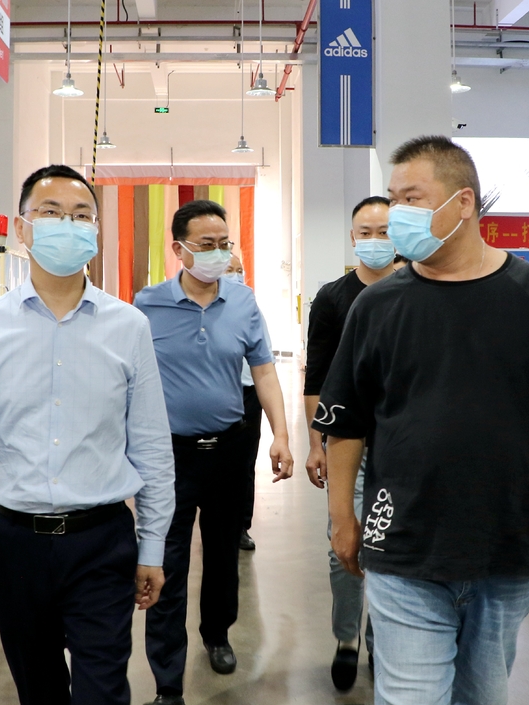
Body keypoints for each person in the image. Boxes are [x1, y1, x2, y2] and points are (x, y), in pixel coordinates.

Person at [315, 135, 529, 705]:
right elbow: (346, 421)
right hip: (404, 541)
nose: (397, 214)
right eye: (394, 199)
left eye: (412, 199)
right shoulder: (378, 305)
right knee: (412, 697)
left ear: (463, 202)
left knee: (484, 694)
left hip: (507, 542)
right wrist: (342, 517)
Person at [0, 164, 176, 705]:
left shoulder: (129, 327)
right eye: (52, 213)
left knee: (103, 691)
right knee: (39, 691)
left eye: (82, 215)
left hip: (101, 540)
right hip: (15, 546)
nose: (68, 224)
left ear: (96, 230)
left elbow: (152, 445)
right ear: (22, 228)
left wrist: (152, 545)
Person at [136, 199, 294, 705]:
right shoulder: (147, 305)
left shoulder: (243, 302)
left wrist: (281, 434)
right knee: (166, 558)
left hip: (228, 449)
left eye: (225, 243)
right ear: (179, 249)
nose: (218, 253)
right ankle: (167, 679)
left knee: (224, 553)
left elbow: (264, 371)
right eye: (207, 244)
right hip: (169, 457)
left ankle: (218, 633)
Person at [303, 195, 394, 691]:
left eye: (385, 231)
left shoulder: (418, 289)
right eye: (366, 232)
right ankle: (346, 638)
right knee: (344, 545)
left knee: (391, 550)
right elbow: (316, 378)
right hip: (347, 446)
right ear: (353, 237)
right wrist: (316, 443)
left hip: (401, 447)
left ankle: (381, 639)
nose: (375, 240)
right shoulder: (334, 298)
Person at [224, 253, 270, 552]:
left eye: (239, 270)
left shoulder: (250, 309)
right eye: (230, 270)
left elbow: (265, 364)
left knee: (245, 463)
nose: (237, 276)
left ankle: (241, 525)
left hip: (248, 392)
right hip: (218, 392)